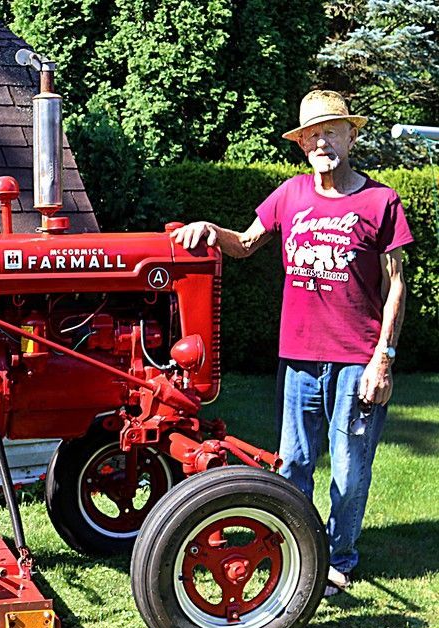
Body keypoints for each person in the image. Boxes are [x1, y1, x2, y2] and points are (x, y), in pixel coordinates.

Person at [171, 90, 413, 596]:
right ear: (301, 144)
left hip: (356, 358)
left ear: (352, 135)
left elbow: (396, 286)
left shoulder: (380, 200)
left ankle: (339, 557)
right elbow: (245, 243)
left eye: (332, 131)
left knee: (349, 466)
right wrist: (210, 230)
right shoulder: (289, 194)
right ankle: (296, 552)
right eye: (312, 134)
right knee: (292, 463)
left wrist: (382, 359)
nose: (322, 141)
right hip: (299, 357)